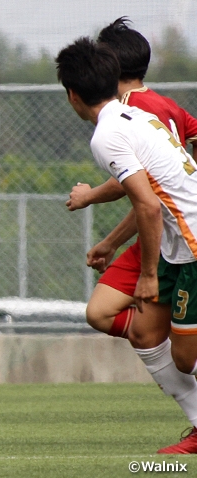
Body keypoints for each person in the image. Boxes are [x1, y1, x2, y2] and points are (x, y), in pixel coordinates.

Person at [56, 36, 197, 454]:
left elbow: (149, 207)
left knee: (186, 359)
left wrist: (149, 276)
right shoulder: (133, 115)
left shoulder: (107, 135)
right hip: (178, 243)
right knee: (144, 333)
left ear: (73, 96)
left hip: (191, 244)